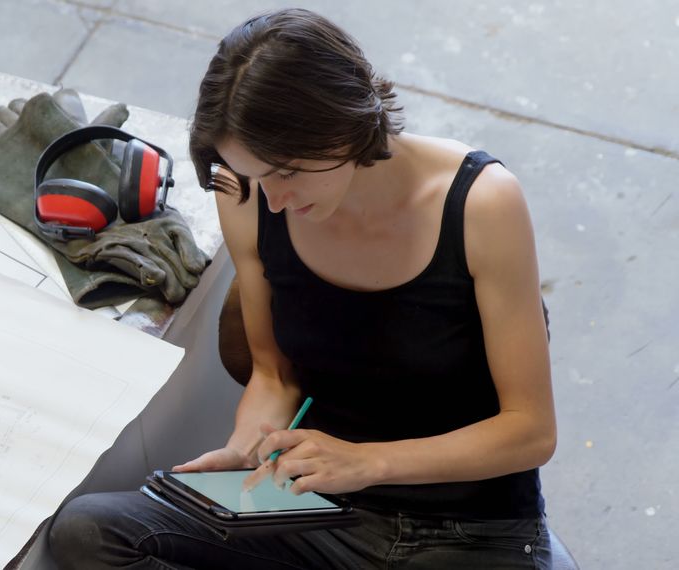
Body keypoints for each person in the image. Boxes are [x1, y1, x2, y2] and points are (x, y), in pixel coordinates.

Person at [49, 8, 556, 569]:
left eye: (287, 171)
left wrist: (368, 462)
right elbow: (274, 372)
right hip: (314, 509)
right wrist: (244, 450)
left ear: (344, 122)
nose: (272, 201)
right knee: (87, 533)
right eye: (255, 175)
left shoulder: (482, 204)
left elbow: (530, 432)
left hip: (470, 530)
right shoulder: (246, 193)